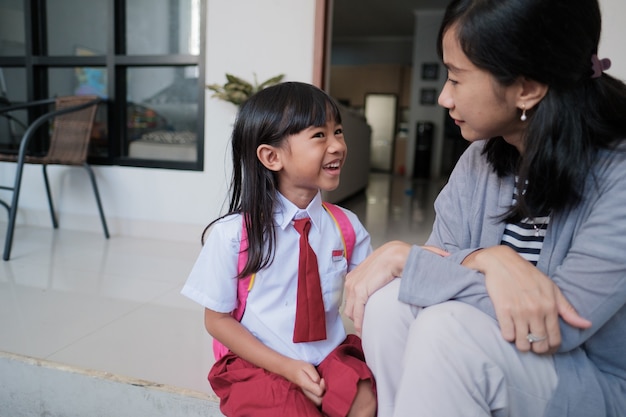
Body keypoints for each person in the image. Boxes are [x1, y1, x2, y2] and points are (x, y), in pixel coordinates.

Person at [343, 0, 626, 416]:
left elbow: (560, 324)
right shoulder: (480, 159)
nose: (443, 97)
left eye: (457, 79)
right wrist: (488, 260)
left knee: (446, 330)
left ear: (527, 88)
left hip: (590, 381)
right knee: (390, 303)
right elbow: (436, 270)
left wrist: (413, 260)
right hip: (500, 350)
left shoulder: (617, 175)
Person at [182, 81, 376, 417]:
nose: (337, 146)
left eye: (339, 131)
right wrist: (286, 367)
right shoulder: (233, 235)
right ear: (272, 156)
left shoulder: (346, 227)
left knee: (365, 403)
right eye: (320, 135)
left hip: (329, 355)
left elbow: (370, 295)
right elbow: (216, 321)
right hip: (258, 360)